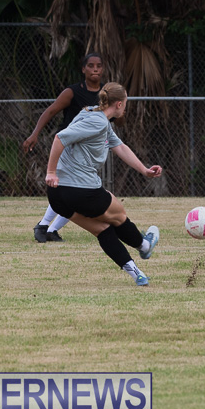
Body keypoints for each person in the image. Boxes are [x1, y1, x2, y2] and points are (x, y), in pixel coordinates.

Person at [44, 82, 162, 286]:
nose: (125, 107)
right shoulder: (98, 122)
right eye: (125, 103)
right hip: (80, 189)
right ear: (118, 104)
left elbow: (120, 147)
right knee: (119, 214)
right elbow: (59, 138)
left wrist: (144, 170)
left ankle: (137, 274)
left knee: (102, 229)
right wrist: (51, 171)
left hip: (56, 196)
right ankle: (144, 245)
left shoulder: (91, 115)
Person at [23, 53, 104, 242]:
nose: (95, 69)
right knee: (75, 192)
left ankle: (47, 228)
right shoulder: (73, 92)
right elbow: (51, 110)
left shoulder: (105, 95)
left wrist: (120, 108)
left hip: (90, 150)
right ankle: (46, 227)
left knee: (71, 192)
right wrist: (35, 133)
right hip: (70, 148)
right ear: (83, 69)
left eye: (98, 66)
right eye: (90, 65)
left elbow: (115, 119)